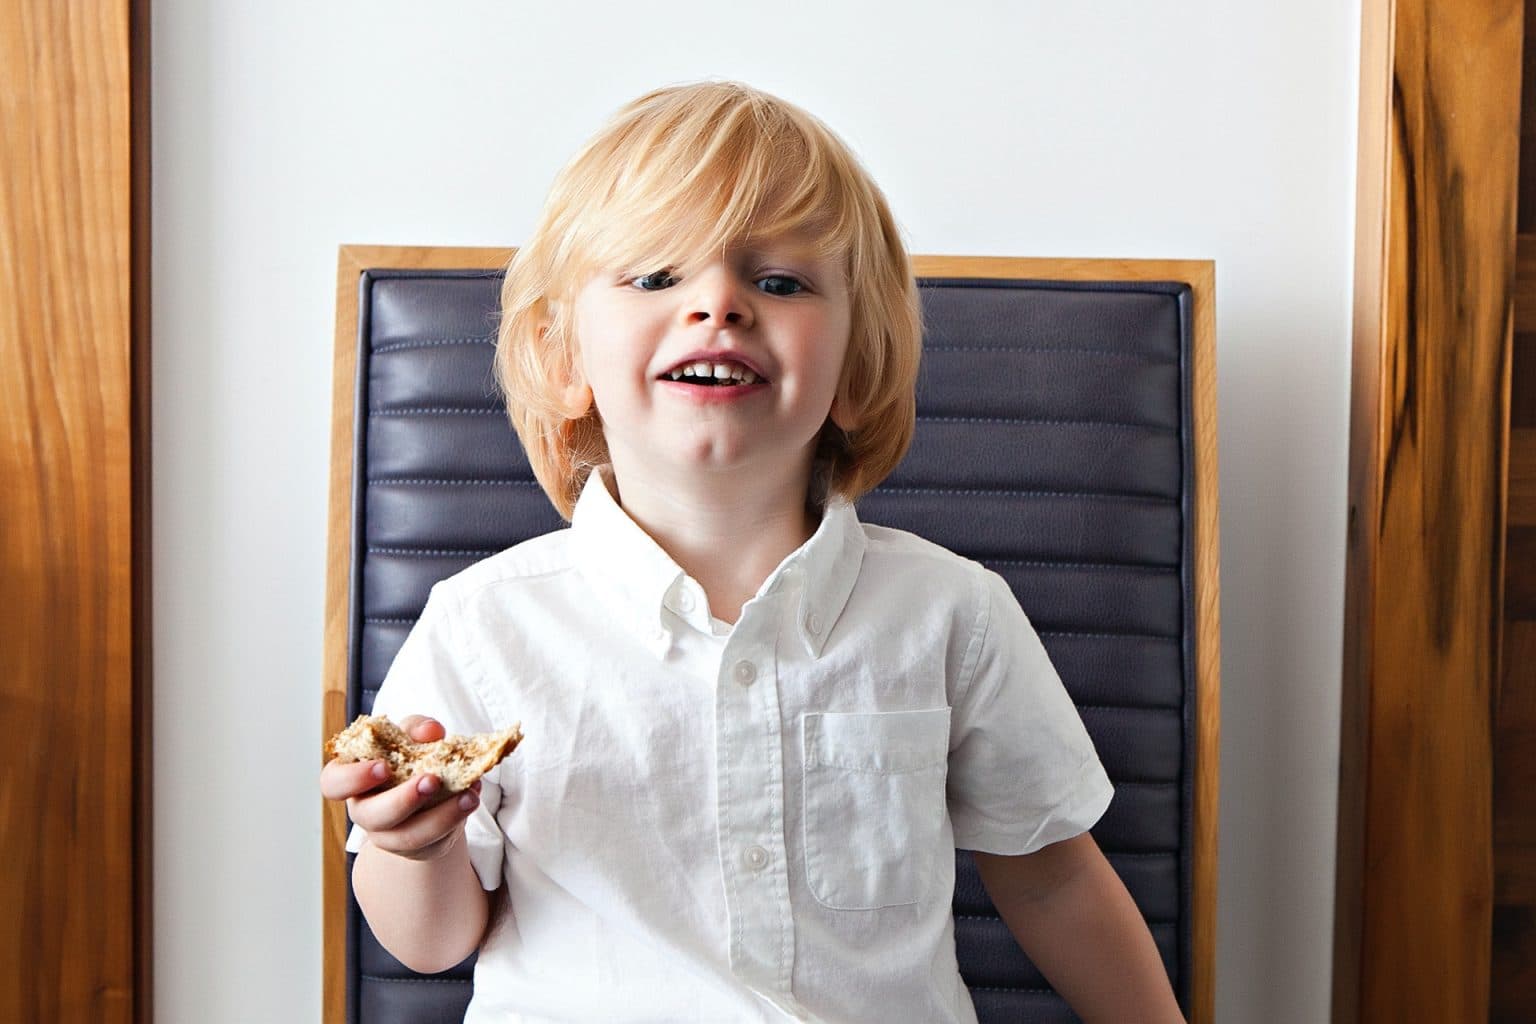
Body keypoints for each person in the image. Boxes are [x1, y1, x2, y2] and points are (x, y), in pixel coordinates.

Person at [321, 80, 1184, 1023]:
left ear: (854, 371)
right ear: (564, 358)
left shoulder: (954, 615)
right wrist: (415, 847)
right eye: (656, 277)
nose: (718, 304)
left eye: (778, 281)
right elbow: (433, 940)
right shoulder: (485, 623)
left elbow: (1054, 882)